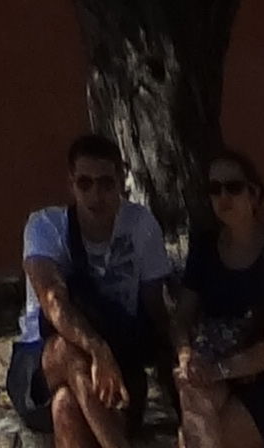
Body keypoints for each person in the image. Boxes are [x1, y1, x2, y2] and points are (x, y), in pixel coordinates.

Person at [12, 128, 172, 448]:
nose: (95, 195)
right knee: (70, 352)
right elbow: (53, 303)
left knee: (66, 406)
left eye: (105, 183)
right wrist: (97, 349)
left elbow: (155, 310)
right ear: (71, 183)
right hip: (42, 364)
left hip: (118, 362)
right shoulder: (45, 227)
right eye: (85, 183)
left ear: (121, 181)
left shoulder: (141, 226)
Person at [175, 153, 264, 448]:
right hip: (217, 368)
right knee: (193, 404)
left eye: (233, 187)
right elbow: (182, 317)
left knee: (203, 438)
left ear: (254, 194)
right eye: (215, 189)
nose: (223, 197)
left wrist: (217, 371)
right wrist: (186, 355)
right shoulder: (205, 248)